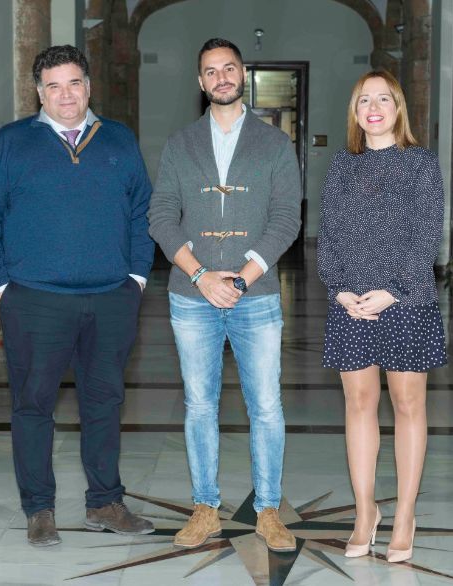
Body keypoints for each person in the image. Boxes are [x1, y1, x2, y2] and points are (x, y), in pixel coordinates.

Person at [0, 45, 155, 547]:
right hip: (35, 300)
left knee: (104, 402)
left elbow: (143, 213)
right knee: (33, 406)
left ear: (89, 86)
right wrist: (3, 288)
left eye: (74, 83)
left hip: (111, 298)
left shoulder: (118, 139)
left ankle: (105, 502)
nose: (65, 94)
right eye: (53, 85)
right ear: (39, 92)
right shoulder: (11, 143)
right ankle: (39, 509)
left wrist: (136, 278)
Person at [148, 38, 302, 552]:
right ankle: (205, 508)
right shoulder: (179, 145)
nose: (221, 77)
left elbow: (287, 219)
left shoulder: (276, 145)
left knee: (266, 407)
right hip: (192, 297)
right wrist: (201, 276)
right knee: (198, 406)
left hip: (254, 297)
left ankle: (270, 511)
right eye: (210, 71)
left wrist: (242, 275)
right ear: (200, 82)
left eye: (229, 68)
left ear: (243, 75)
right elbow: (161, 216)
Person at [317, 70, 447, 562]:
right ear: (355, 112)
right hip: (351, 305)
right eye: (363, 100)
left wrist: (391, 291)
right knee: (359, 404)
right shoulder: (341, 167)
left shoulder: (420, 164)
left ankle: (406, 513)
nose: (373, 107)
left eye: (382, 99)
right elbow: (326, 235)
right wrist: (341, 288)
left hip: (406, 301)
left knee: (409, 405)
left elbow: (425, 236)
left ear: (397, 107)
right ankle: (364, 511)